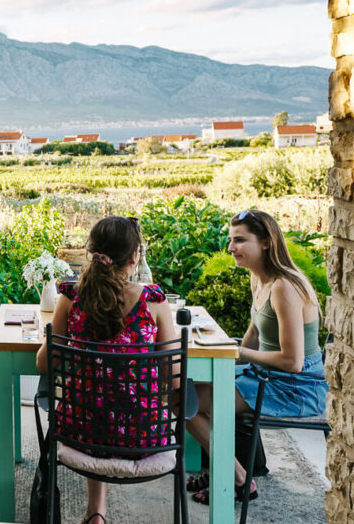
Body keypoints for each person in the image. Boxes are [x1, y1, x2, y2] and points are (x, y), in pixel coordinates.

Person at [36, 216, 178, 524]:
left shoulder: (70, 298)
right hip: (143, 435)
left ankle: (96, 514)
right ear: (133, 257)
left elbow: (46, 364)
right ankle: (96, 512)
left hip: (82, 431)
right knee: (118, 400)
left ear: (92, 252)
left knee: (96, 402)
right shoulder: (153, 302)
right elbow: (173, 377)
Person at [186, 209, 327, 504]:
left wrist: (239, 353)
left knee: (184, 401)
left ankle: (237, 477)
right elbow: (252, 336)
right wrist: (223, 357)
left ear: (265, 242)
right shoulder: (259, 279)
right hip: (267, 376)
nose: (230, 248)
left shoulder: (284, 287)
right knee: (186, 389)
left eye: (239, 240)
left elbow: (294, 361)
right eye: (230, 240)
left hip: (295, 386)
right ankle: (223, 467)